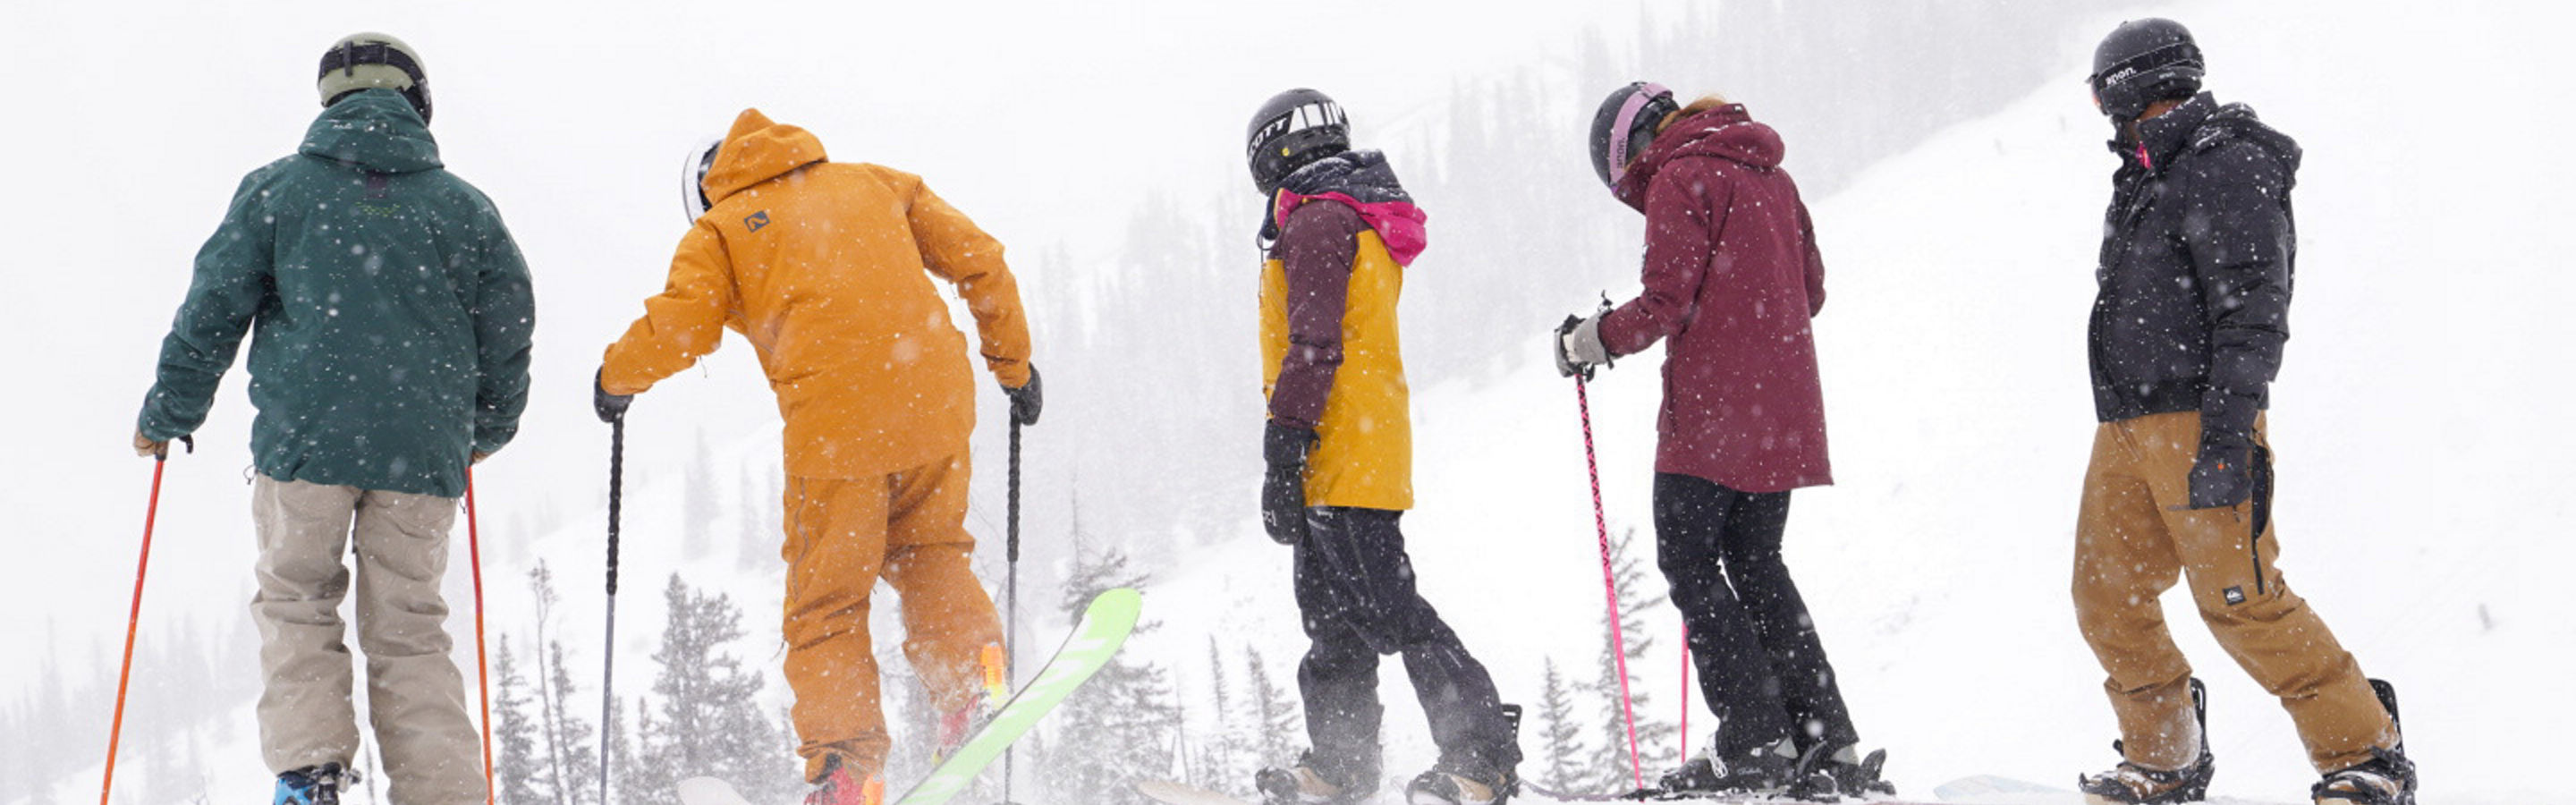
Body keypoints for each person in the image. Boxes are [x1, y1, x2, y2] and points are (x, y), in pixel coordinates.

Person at [594, 107, 1040, 805]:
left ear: (708, 189)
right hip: (936, 400)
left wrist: (613, 381)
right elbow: (981, 258)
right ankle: (972, 689)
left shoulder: (721, 229)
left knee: (826, 605)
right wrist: (1014, 367)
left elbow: (681, 326)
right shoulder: (877, 184)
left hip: (837, 430)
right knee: (931, 551)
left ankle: (847, 768)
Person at [132, 32, 534, 805]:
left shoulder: (277, 192)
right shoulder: (465, 210)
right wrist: (480, 434)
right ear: (417, 101)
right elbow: (508, 334)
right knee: (412, 627)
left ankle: (311, 774)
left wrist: (168, 411)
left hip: (303, 447)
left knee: (296, 600)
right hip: (420, 459)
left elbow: (211, 312)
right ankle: (440, 792)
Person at [2069, 19, 2415, 805]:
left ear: (2129, 86)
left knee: (2242, 600)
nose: (2100, 110)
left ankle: (2367, 754)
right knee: (2106, 595)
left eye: (2100, 92)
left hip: (2202, 422)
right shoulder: (2151, 171)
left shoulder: (2227, 164)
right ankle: (2165, 756)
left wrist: (2228, 433)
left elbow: (2253, 309)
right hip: (2126, 424)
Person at [1554, 82, 1885, 800]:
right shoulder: (1772, 175)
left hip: (1712, 413)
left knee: (1690, 562)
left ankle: (1755, 737)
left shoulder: (1680, 174)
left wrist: (1589, 341)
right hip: (1784, 412)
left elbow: (1665, 303)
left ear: (1630, 152)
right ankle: (1826, 739)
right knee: (1758, 563)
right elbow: (1813, 290)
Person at [1242, 89, 1523, 805]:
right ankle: (1341, 767)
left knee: (1389, 611)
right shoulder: (1341, 216)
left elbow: (1313, 343)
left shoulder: (1318, 222)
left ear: (1273, 155)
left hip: (1341, 450)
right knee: (1334, 623)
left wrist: (1283, 444)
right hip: (1338, 450)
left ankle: (1481, 757)